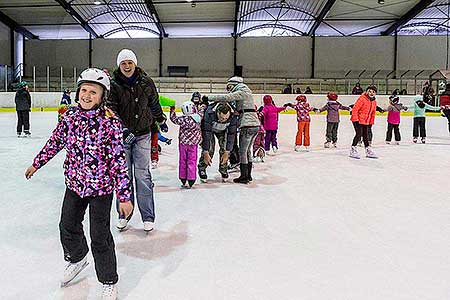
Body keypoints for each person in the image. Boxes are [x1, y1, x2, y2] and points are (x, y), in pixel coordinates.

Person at [24, 68, 133, 299]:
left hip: (101, 189)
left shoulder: (110, 123)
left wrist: (124, 196)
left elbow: (119, 161)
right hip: (75, 183)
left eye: (93, 92)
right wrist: (37, 163)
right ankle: (77, 257)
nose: (87, 95)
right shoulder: (70, 117)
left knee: (99, 236)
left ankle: (108, 280)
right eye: (84, 90)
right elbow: (55, 142)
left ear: (102, 96)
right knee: (67, 225)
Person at [107, 49, 165, 232]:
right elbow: (110, 109)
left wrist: (160, 119)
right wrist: (121, 129)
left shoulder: (146, 81)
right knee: (124, 176)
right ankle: (123, 214)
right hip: (122, 137)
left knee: (143, 175)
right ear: (119, 65)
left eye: (129, 62)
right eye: (123, 63)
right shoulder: (113, 84)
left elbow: (154, 102)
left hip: (142, 134)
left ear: (135, 63)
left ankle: (148, 216)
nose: (127, 66)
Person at [205, 76, 260, 184]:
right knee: (248, 151)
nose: (228, 89)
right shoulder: (246, 91)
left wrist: (209, 97)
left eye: (229, 86)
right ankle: (248, 175)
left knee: (242, 151)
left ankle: (244, 176)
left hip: (247, 124)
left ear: (234, 84)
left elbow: (227, 97)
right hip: (255, 125)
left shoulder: (241, 90)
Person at [198, 102, 238, 182]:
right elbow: (206, 134)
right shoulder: (209, 113)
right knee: (210, 149)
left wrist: (227, 152)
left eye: (226, 119)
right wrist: (205, 152)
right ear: (217, 112)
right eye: (221, 118)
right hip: (210, 130)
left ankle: (223, 169)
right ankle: (202, 168)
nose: (223, 120)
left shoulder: (233, 116)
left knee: (224, 149)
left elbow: (231, 135)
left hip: (223, 131)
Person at [170, 102, 203, 188]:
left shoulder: (182, 119)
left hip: (183, 144)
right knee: (192, 161)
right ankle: (191, 179)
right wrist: (202, 106)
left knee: (183, 160)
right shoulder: (197, 118)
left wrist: (172, 110)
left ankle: (183, 178)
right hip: (193, 144)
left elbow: (173, 119)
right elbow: (202, 111)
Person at [349, 85, 378, 159]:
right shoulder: (362, 99)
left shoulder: (374, 101)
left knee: (365, 135)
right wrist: (355, 119)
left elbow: (373, 113)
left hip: (366, 120)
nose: (371, 93)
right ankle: (353, 149)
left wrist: (371, 122)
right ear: (367, 91)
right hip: (357, 119)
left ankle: (367, 149)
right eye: (370, 91)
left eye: (373, 92)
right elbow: (355, 109)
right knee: (359, 134)